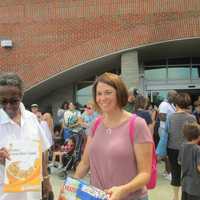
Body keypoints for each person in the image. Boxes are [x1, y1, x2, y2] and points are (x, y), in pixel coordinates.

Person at [73, 72, 153, 200]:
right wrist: (71, 186)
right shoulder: (95, 124)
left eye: (108, 92)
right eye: (99, 94)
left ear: (119, 94)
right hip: (97, 196)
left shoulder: (137, 124)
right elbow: (84, 163)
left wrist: (123, 189)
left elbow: (145, 174)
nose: (102, 98)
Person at [0, 72, 53, 200]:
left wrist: (46, 180)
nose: (8, 106)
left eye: (14, 101)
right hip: (5, 194)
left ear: (21, 96)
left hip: (32, 193)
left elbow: (41, 152)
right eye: (3, 101)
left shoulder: (31, 118)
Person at [166, 93, 196, 200]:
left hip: (172, 148)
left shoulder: (170, 117)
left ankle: (175, 197)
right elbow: (194, 135)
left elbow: (167, 133)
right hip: (188, 148)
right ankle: (185, 195)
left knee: (175, 172)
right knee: (187, 172)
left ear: (176, 103)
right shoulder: (192, 117)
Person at [157, 90, 177, 179]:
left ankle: (166, 171)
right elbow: (162, 117)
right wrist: (172, 120)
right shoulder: (164, 104)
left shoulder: (171, 104)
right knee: (167, 151)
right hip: (164, 130)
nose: (176, 98)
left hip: (169, 129)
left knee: (167, 151)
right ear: (169, 96)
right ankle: (169, 173)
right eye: (174, 96)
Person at [178, 122, 200, 200]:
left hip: (185, 183)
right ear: (198, 136)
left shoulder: (182, 146)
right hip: (196, 186)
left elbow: (180, 162)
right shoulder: (197, 149)